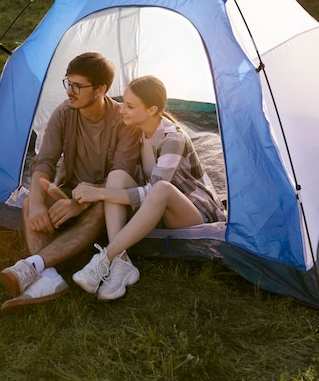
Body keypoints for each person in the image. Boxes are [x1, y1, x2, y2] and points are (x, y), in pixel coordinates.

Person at [0, 52, 140, 314]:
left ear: (101, 89)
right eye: (68, 83)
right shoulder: (64, 113)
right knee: (32, 200)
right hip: (70, 189)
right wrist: (40, 204)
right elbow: (44, 162)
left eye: (78, 86)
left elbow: (121, 175)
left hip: (107, 199)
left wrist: (80, 203)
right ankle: (49, 275)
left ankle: (34, 266)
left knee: (98, 208)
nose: (69, 92)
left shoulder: (123, 121)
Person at [71, 75, 226, 301]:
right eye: (123, 102)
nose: (122, 110)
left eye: (130, 106)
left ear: (152, 110)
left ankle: (105, 258)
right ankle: (122, 262)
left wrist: (99, 193)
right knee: (116, 176)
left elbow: (152, 190)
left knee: (161, 188)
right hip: (156, 209)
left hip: (192, 212)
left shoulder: (173, 138)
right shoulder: (136, 130)